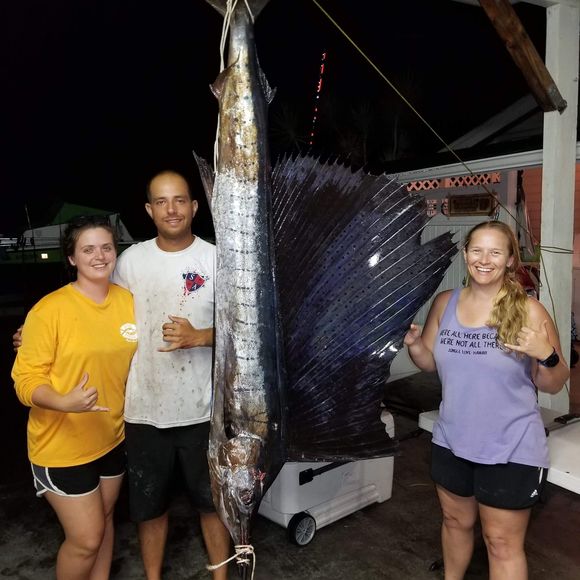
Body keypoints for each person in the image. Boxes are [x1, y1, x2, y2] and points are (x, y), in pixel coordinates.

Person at [404, 220, 569, 580]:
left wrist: (546, 355)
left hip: (511, 447)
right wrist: (415, 345)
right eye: (477, 250)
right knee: (454, 522)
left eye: (495, 252)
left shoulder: (529, 311)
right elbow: (430, 361)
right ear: (465, 255)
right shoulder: (445, 303)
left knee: (500, 543)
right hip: (452, 440)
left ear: (510, 260)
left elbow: (555, 383)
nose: (484, 259)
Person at [111, 170, 230, 580]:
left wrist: (201, 336)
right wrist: (39, 332)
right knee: (149, 508)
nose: (171, 209)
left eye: (179, 200)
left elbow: (246, 329)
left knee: (212, 504)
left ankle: (221, 577)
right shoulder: (131, 261)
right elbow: (99, 313)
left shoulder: (217, 259)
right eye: (161, 201)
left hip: (203, 410)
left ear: (194, 207)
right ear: (149, 210)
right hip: (144, 409)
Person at [11, 215, 137, 580]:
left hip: (111, 437)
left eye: (106, 247)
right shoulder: (49, 309)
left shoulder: (129, 302)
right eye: (88, 249)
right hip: (61, 445)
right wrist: (64, 401)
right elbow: (24, 380)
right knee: (86, 539)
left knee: (106, 520)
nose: (99, 256)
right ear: (71, 258)